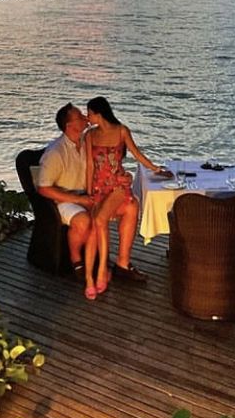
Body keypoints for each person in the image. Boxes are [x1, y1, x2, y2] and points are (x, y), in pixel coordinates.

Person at [37, 102, 147, 301]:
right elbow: (43, 188)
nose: (85, 118)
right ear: (70, 126)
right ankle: (77, 260)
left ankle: (122, 264)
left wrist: (124, 176)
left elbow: (107, 165)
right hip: (65, 198)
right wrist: (77, 199)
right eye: (80, 116)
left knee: (132, 205)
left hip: (91, 194)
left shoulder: (88, 138)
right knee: (84, 221)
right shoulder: (56, 152)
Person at [85, 96, 165, 297]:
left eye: (89, 113)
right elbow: (90, 166)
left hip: (117, 185)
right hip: (99, 187)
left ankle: (103, 269)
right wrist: (89, 193)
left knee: (102, 218)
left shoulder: (121, 131)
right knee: (130, 207)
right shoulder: (89, 135)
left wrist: (155, 168)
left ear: (99, 113)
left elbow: (137, 154)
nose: (87, 118)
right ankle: (118, 264)